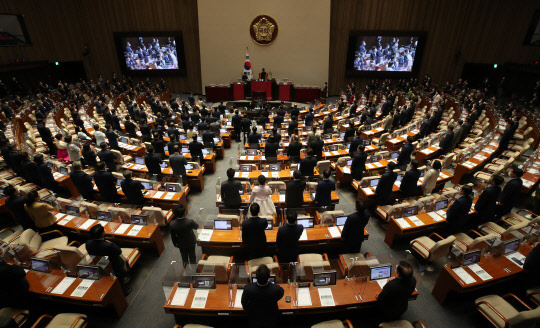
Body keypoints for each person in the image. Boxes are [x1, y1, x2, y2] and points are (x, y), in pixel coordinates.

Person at [86, 225, 131, 295]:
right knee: (120, 260)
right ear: (102, 233)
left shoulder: (88, 243)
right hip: (112, 265)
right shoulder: (109, 245)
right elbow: (119, 251)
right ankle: (124, 290)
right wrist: (109, 243)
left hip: (99, 263)